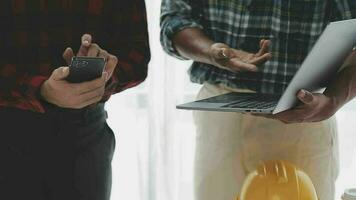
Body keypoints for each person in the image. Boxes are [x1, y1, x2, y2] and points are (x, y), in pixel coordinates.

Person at [160, 1, 356, 200]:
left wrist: (332, 101)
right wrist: (211, 52)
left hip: (303, 113)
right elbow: (175, 18)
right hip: (220, 112)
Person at [0, 1, 150, 200]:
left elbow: (136, 55)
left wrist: (98, 73)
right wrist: (41, 90)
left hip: (84, 137)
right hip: (8, 132)